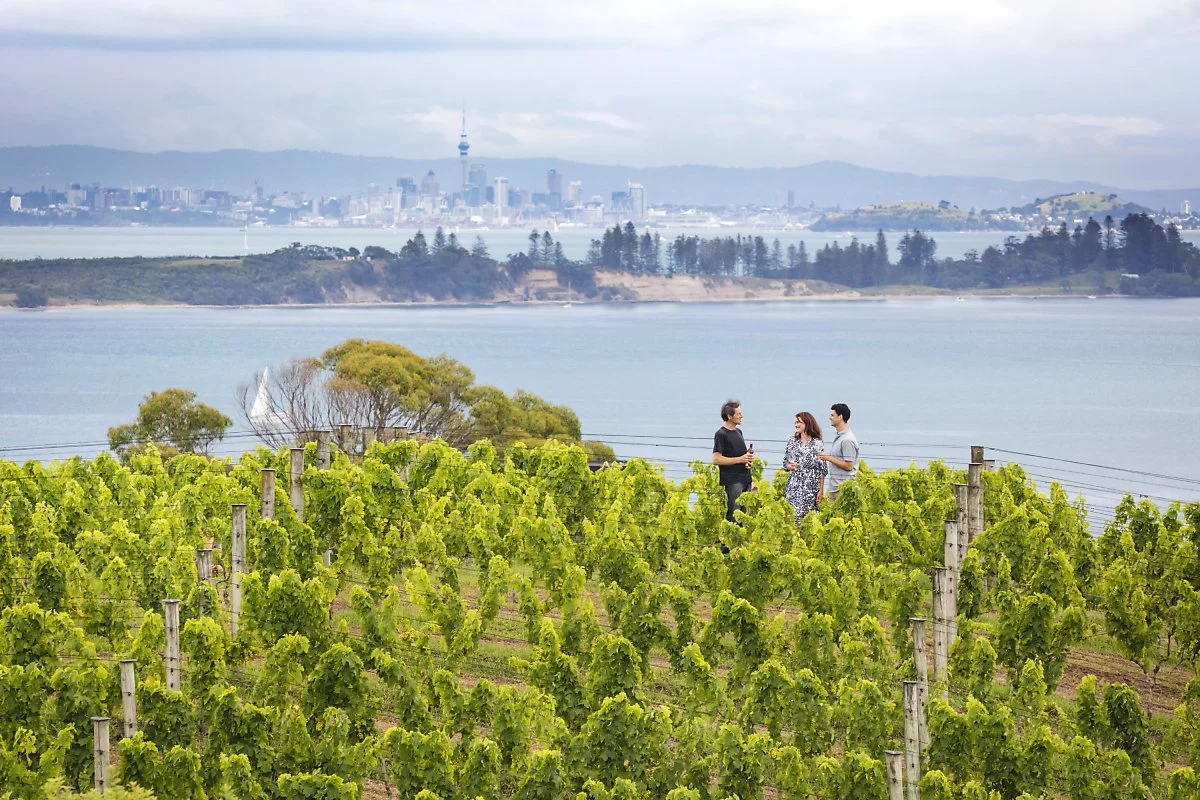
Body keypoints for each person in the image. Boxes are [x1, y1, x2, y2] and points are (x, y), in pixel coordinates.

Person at [712, 400, 753, 523]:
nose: (741, 416)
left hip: (745, 479)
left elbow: (739, 454)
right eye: (738, 414)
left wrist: (747, 460)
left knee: (743, 515)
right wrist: (740, 459)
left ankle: (739, 541)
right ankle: (728, 541)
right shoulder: (721, 434)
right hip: (733, 480)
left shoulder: (738, 432)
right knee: (734, 514)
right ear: (729, 416)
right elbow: (716, 459)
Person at [783, 411, 827, 522]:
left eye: (799, 422)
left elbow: (822, 469)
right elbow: (785, 463)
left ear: (807, 423)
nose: (796, 425)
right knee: (792, 516)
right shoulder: (792, 441)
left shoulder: (817, 443)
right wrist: (790, 466)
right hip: (794, 485)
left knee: (808, 518)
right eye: (795, 422)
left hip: (811, 486)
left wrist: (821, 490)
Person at [819, 403, 858, 501]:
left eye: (832, 415)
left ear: (840, 417)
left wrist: (828, 457)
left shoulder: (847, 440)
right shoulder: (841, 437)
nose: (830, 418)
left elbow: (849, 465)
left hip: (842, 489)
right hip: (835, 487)